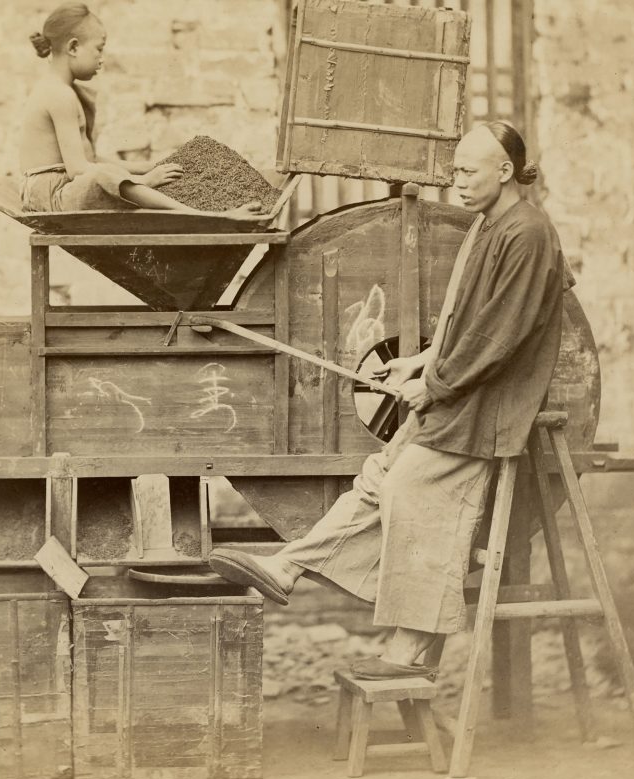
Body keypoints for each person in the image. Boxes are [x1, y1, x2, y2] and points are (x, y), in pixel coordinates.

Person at [209, 121, 573, 680]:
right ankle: (288, 568)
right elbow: (466, 321)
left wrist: (436, 383)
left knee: (412, 492)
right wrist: (422, 362)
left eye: (468, 172)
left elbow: (502, 334)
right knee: (378, 478)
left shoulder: (526, 233)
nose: (457, 182)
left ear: (505, 171)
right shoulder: (490, 224)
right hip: (461, 390)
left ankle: (412, 647)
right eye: (454, 171)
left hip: (489, 406)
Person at [17, 4, 260, 218]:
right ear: (73, 48)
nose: (102, 59)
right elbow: (80, 170)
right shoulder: (58, 95)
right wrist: (144, 181)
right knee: (106, 178)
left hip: (61, 188)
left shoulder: (67, 91)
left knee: (118, 176)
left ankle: (206, 210)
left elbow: (91, 160)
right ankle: (206, 217)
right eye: (99, 49)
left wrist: (147, 166)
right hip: (49, 196)